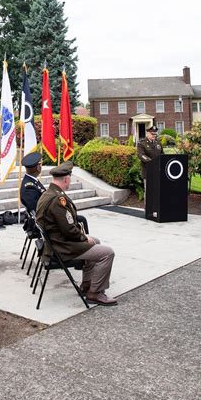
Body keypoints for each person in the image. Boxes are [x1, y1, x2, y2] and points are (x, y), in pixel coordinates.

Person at [36, 161, 117, 306]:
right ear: (66, 179)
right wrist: (84, 237)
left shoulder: (48, 193)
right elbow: (69, 230)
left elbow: (66, 227)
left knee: (96, 241)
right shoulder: (57, 199)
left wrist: (86, 238)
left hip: (56, 243)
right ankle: (95, 293)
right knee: (107, 253)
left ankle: (87, 285)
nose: (70, 181)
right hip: (63, 247)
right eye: (70, 179)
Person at [137, 125, 164, 191]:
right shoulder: (142, 143)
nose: (154, 136)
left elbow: (162, 154)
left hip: (158, 171)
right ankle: (147, 201)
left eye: (155, 134)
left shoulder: (158, 142)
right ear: (147, 133)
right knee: (148, 191)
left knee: (157, 189)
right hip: (148, 171)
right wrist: (151, 162)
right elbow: (141, 155)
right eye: (152, 134)